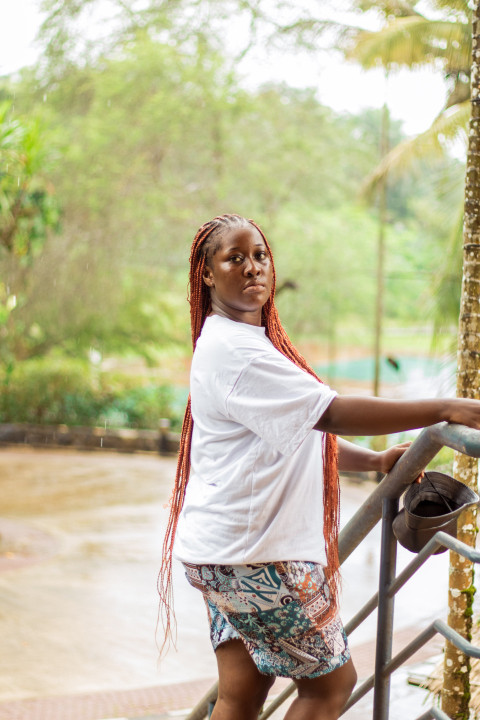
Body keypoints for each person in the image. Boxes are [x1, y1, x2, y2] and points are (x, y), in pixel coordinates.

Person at [159, 213, 480, 720]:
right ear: (206, 273)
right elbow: (329, 412)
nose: (252, 268)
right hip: (258, 557)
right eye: (234, 258)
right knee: (331, 686)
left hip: (219, 557)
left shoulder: (231, 342)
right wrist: (443, 408)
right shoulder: (237, 351)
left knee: (240, 694)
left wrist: (375, 460)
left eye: (260, 256)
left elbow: (297, 433)